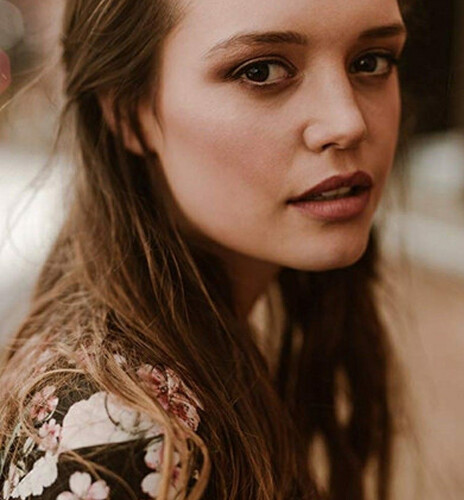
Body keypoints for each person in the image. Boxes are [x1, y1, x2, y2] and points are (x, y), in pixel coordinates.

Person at [0, 0, 409, 498]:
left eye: (371, 62)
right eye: (261, 71)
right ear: (130, 114)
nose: (348, 122)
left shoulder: (202, 352)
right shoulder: (113, 436)